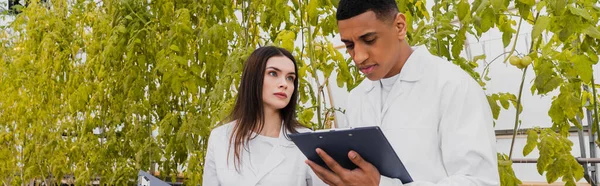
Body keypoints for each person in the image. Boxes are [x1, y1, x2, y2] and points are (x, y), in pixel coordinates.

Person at [305, 0, 500, 185]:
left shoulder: (453, 86)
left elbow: (479, 181)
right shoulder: (358, 97)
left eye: (369, 40)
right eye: (349, 45)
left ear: (400, 26)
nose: (358, 57)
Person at [203, 46, 324, 186]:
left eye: (290, 78)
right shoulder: (220, 138)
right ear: (253, 78)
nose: (284, 84)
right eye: (273, 73)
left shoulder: (306, 141)